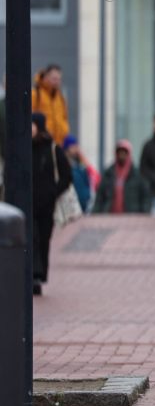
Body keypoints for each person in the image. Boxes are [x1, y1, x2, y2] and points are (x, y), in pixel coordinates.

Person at [31, 113, 72, 294]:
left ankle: (39, 277)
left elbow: (66, 176)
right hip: (28, 204)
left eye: (33, 125)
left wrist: (53, 192)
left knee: (44, 240)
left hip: (47, 206)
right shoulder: (23, 147)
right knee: (32, 238)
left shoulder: (53, 149)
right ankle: (32, 276)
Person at [93, 140, 152, 214]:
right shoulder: (108, 173)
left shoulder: (137, 174)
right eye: (119, 152)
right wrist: (95, 213)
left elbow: (146, 196)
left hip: (132, 216)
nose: (122, 155)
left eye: (124, 153)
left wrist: (144, 213)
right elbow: (100, 196)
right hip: (110, 215)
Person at [32, 64, 70, 145]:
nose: (57, 82)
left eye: (59, 79)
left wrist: (64, 130)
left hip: (59, 142)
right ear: (46, 77)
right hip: (42, 141)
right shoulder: (35, 94)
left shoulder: (60, 96)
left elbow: (64, 116)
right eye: (54, 79)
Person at [62, 134, 99, 213]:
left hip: (83, 207)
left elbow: (94, 177)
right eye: (73, 146)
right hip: (69, 208)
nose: (76, 149)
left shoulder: (80, 167)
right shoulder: (63, 167)